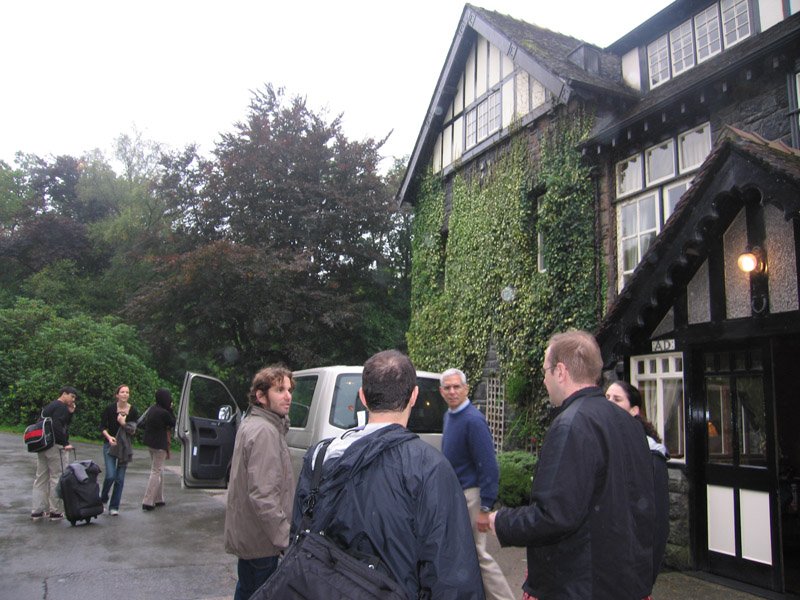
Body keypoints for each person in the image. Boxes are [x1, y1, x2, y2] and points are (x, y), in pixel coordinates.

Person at [292, 350, 485, 600]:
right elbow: (450, 575)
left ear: (362, 397)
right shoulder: (430, 468)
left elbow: (298, 539)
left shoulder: (320, 457)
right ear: (414, 396)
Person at [490, 330, 655, 600]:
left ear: (561, 371)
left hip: (580, 586)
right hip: (627, 583)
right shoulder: (631, 425)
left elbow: (554, 515)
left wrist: (501, 521)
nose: (543, 380)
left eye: (545, 370)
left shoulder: (570, 424)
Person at [440, 368, 516, 600]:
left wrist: (485, 508)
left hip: (471, 496)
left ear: (466, 388)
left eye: (457, 387)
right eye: (447, 387)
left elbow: (489, 466)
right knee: (463, 552)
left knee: (477, 553)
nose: (452, 391)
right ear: (441, 391)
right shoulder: (449, 416)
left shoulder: (473, 420)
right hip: (456, 495)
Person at [224, 366, 295, 600]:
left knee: (246, 589)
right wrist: (284, 536)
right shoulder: (264, 431)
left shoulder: (258, 424)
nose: (288, 396)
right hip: (262, 540)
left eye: (289, 389)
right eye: (279, 390)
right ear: (261, 396)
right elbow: (263, 495)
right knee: (260, 592)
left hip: (252, 537)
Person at [606, 380, 670, 584]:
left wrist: (646, 575)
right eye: (606, 398)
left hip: (631, 567)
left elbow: (658, 522)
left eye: (617, 399)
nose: (609, 403)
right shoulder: (602, 445)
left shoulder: (651, 456)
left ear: (634, 410)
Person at [31, 386, 78, 521]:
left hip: (42, 445)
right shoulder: (61, 407)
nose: (73, 400)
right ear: (64, 394)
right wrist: (65, 443)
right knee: (56, 477)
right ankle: (55, 511)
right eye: (72, 396)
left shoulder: (49, 407)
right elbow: (58, 425)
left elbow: (61, 422)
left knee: (41, 478)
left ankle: (37, 510)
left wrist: (71, 412)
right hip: (55, 446)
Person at [99, 384, 140, 516]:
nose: (125, 394)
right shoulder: (110, 409)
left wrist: (123, 423)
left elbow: (133, 430)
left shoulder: (133, 411)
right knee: (110, 475)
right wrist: (109, 437)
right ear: (117, 395)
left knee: (120, 479)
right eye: (122, 392)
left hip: (124, 447)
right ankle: (103, 498)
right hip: (110, 445)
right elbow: (102, 426)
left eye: (127, 392)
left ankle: (114, 506)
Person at [141, 388, 177, 511]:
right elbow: (174, 423)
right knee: (156, 471)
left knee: (159, 470)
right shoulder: (164, 413)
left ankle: (159, 498)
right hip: (160, 445)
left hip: (150, 443)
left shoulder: (152, 409)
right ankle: (148, 501)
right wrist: (171, 410)